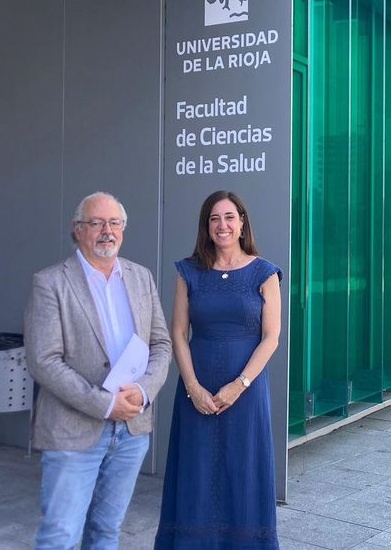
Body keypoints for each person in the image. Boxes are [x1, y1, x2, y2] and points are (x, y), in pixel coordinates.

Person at [24, 191, 172, 549]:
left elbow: (161, 345)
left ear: (123, 228)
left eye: (115, 223)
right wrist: (104, 404)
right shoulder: (50, 282)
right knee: (60, 535)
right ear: (78, 230)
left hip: (131, 432)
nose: (107, 231)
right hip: (72, 432)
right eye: (96, 223)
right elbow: (43, 360)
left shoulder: (141, 277)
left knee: (107, 531)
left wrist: (144, 391)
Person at [156, 190, 282, 548]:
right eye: (214, 218)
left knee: (243, 470)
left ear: (242, 223)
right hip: (197, 391)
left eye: (229, 217)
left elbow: (271, 338)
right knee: (196, 472)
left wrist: (238, 385)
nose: (222, 225)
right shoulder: (188, 272)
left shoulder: (265, 272)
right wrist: (193, 387)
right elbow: (178, 333)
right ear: (206, 227)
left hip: (246, 390)